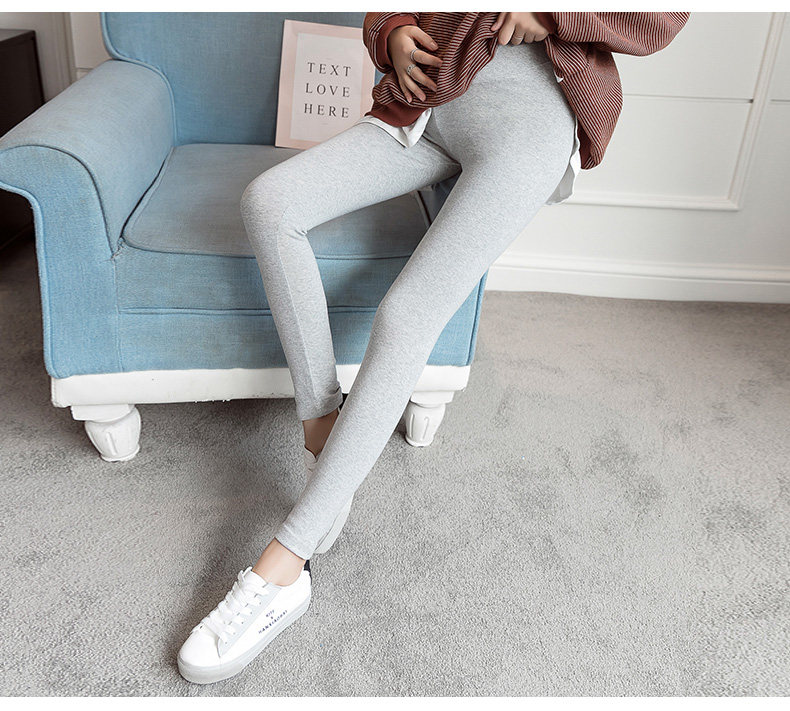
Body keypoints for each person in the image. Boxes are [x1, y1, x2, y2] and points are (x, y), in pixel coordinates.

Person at [176, 11, 690, 684]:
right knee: (269, 203)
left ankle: (284, 568)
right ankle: (322, 426)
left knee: (406, 314)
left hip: (530, 117)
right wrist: (388, 32)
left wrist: (550, 12)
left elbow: (661, 18)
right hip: (426, 104)